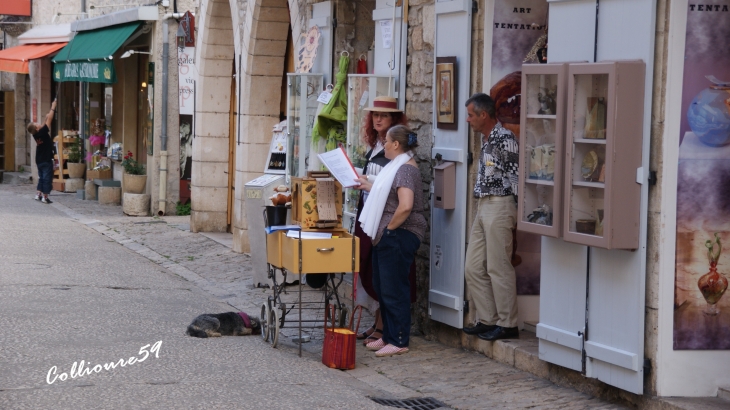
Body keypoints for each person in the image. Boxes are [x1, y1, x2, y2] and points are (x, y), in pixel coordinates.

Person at [355, 124, 427, 357]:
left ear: (396, 144)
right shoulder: (395, 168)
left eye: (386, 141)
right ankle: (387, 336)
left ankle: (398, 339)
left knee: (394, 288)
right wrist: (362, 182)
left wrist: (389, 229)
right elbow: (383, 189)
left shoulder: (406, 170)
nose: (383, 145)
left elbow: (405, 205)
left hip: (397, 235)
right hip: (387, 236)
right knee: (383, 286)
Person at [354, 96, 413, 346]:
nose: (378, 119)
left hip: (387, 222)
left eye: (384, 115)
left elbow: (399, 194)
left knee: (388, 281)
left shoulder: (401, 159)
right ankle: (381, 327)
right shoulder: (379, 147)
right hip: (372, 215)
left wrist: (388, 229)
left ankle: (392, 335)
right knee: (375, 274)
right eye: (375, 114)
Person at [462, 93, 520, 341]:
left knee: (498, 266)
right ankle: (488, 319)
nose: (468, 120)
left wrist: (515, 214)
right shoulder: (487, 140)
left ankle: (508, 324)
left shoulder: (505, 139)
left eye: (470, 115)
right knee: (473, 266)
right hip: (484, 205)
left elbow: (517, 177)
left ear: (483, 115)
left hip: (500, 204)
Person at [27, 99, 57, 204]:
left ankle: (38, 194)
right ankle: (45, 196)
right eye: (36, 123)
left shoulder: (36, 134)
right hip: (46, 159)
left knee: (41, 177)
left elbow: (44, 124)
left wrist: (45, 118)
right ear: (36, 127)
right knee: (47, 178)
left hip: (39, 160)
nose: (38, 123)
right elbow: (49, 121)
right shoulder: (42, 132)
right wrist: (53, 107)